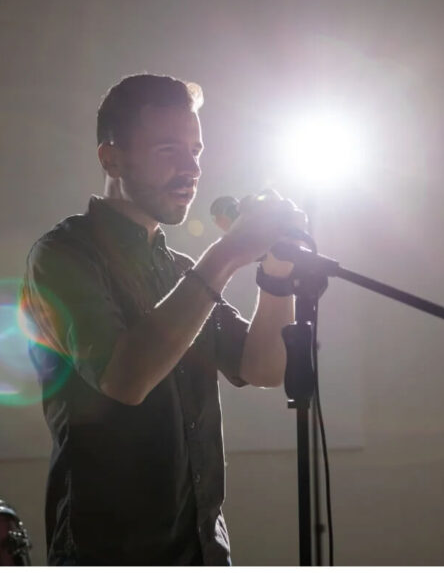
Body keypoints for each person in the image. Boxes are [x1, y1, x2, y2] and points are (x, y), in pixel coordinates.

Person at [22, 74, 305, 566]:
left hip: (201, 549)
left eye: (196, 150)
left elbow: (263, 368)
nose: (191, 168)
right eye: (170, 149)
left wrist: (277, 275)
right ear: (111, 157)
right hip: (110, 552)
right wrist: (228, 253)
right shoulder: (63, 255)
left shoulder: (178, 273)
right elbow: (125, 378)